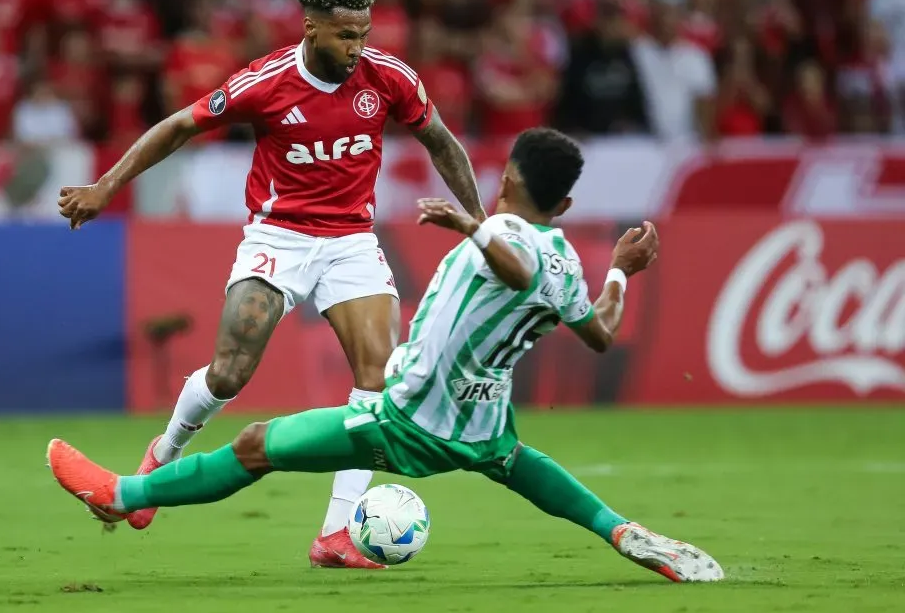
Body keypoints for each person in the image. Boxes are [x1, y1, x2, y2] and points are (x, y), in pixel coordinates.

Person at [48, 128, 724, 584]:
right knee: (518, 463)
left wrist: (472, 226)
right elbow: (601, 333)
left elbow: (511, 267)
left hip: (408, 421)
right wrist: (622, 273)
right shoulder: (569, 260)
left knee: (256, 444)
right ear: (567, 201)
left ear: (504, 177)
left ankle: (121, 495)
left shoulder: (503, 231)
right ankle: (621, 530)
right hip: (482, 425)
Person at [55, 0, 485, 568]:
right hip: (278, 238)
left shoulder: (388, 78)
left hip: (352, 241)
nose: (355, 48)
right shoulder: (269, 81)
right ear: (311, 28)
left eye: (362, 34)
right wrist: (106, 186)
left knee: (377, 384)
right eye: (343, 37)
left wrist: (483, 225)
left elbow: (441, 141)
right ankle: (165, 452)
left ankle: (337, 534)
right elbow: (180, 125)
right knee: (230, 374)